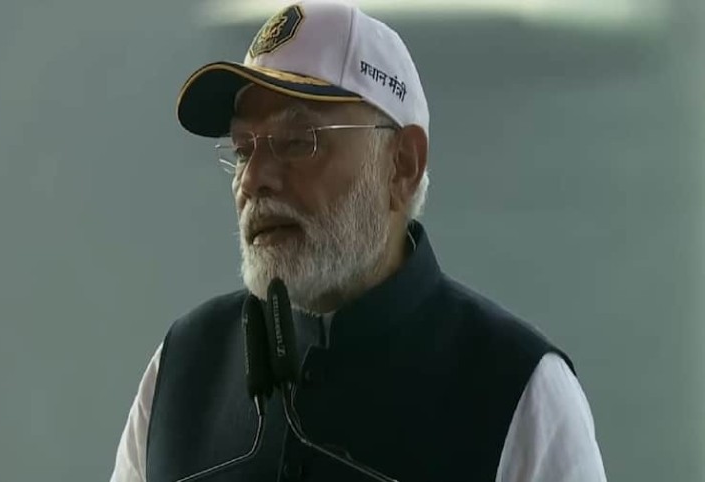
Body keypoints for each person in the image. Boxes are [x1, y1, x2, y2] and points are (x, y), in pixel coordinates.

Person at [110, 1, 607, 481]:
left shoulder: (520, 392)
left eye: (297, 142)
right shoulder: (180, 370)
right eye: (243, 150)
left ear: (402, 165)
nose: (254, 179)